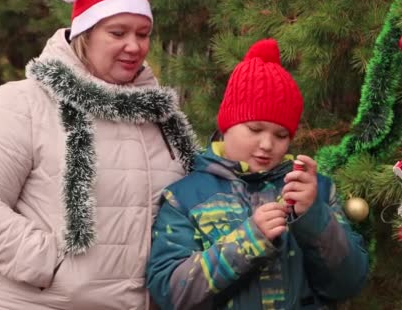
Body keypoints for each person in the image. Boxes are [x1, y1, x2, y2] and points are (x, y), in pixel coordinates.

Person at [0, 0, 199, 309]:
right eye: (118, 32)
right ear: (84, 33)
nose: (134, 46)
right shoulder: (25, 102)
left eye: (143, 34)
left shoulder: (163, 119)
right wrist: (49, 262)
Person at [146, 38, 369, 309]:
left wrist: (312, 215)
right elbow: (170, 293)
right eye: (254, 129)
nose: (267, 145)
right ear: (227, 124)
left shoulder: (315, 191)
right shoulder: (186, 197)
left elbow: (348, 282)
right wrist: (248, 240)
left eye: (281, 135)